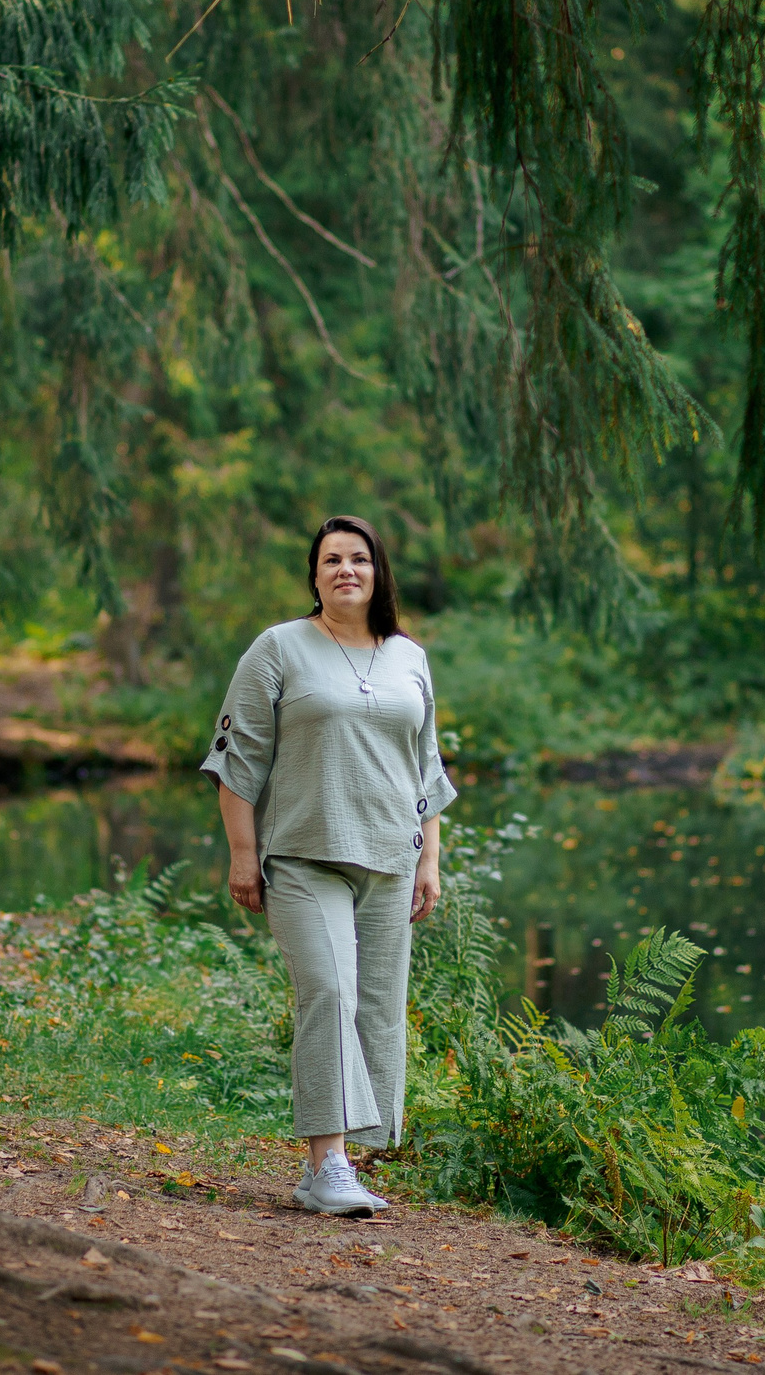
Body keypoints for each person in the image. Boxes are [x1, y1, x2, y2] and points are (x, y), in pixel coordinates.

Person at [201, 514, 454, 1218]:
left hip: (390, 859)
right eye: (331, 559)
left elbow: (426, 766)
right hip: (304, 854)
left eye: (360, 558)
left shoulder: (410, 656)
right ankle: (327, 1165)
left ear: (379, 573)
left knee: (376, 1005)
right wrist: (244, 855)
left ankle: (349, 1155)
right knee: (330, 993)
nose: (347, 569)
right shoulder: (279, 647)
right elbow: (235, 757)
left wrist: (430, 857)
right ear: (314, 576)